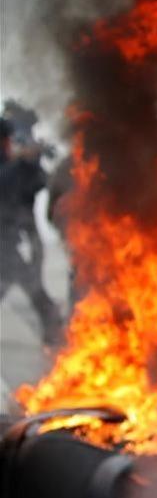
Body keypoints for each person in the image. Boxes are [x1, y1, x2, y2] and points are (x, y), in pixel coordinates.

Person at [0, 114, 63, 346]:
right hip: (6, 246)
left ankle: (53, 332)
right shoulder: (12, 168)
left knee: (32, 288)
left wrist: (29, 162)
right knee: (30, 288)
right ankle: (53, 332)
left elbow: (37, 185)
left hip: (10, 245)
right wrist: (26, 162)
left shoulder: (14, 166)